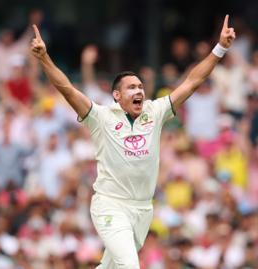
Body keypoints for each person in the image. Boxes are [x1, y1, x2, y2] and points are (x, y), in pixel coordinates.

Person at [30, 15, 235, 269]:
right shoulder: (100, 117)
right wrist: (44, 58)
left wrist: (220, 48)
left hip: (142, 210)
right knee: (129, 266)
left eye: (140, 86)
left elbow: (192, 82)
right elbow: (67, 89)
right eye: (131, 88)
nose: (139, 91)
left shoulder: (155, 111)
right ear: (117, 95)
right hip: (110, 206)